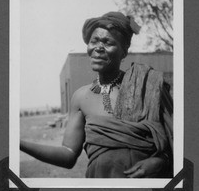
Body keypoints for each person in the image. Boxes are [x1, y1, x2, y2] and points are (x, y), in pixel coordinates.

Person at [20, 12, 173, 178]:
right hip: (100, 187)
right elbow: (68, 154)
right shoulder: (80, 97)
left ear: (124, 51)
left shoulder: (147, 84)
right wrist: (18, 144)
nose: (98, 48)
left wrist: (161, 161)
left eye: (108, 42)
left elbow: (176, 140)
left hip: (145, 188)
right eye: (94, 41)